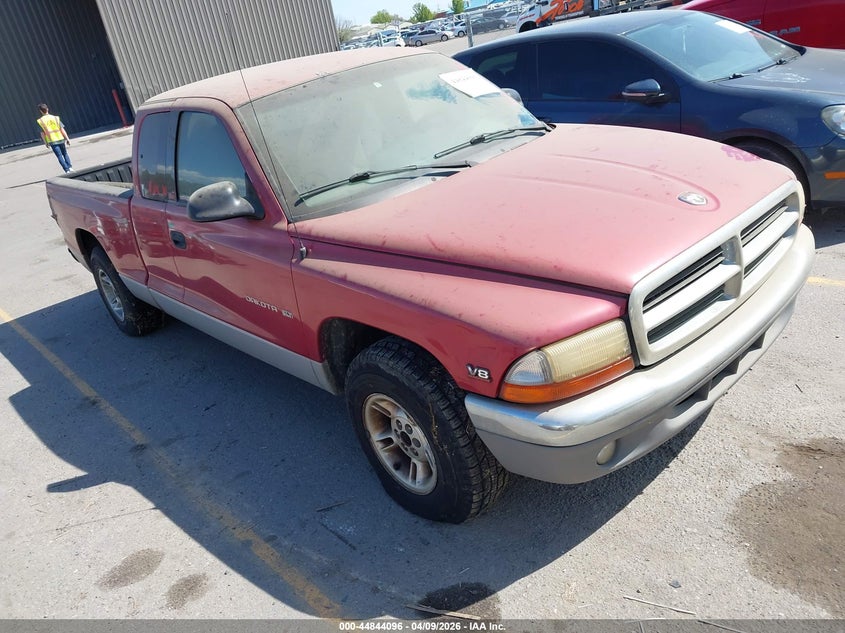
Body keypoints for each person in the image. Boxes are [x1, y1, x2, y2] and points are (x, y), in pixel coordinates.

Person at [36, 103, 73, 173]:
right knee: (65, 153)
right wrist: (67, 138)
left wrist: (46, 143)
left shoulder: (40, 121)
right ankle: (70, 167)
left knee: (59, 156)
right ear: (47, 109)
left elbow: (42, 134)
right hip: (60, 138)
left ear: (40, 111)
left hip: (52, 140)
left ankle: (66, 170)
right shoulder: (55, 118)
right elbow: (62, 129)